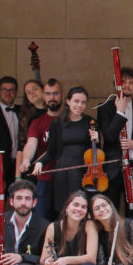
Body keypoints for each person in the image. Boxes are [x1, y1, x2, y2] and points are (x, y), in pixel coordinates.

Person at [31, 86, 100, 215]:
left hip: (83, 173)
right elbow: (51, 151)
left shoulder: (91, 122)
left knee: (83, 209)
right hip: (62, 172)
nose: (79, 105)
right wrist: (40, 162)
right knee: (64, 210)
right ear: (68, 101)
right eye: (76, 101)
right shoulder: (57, 123)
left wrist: (96, 141)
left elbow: (98, 153)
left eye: (83, 102)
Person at [97, 65, 133, 213]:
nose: (127, 85)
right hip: (113, 170)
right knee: (109, 214)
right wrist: (120, 111)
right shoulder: (105, 108)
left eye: (131, 82)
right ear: (117, 84)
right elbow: (108, 137)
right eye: (124, 81)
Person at [21, 78, 63, 221]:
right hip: (45, 178)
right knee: (41, 220)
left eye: (55, 93)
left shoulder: (70, 119)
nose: (52, 98)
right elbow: (31, 143)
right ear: (44, 97)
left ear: (62, 95)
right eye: (48, 94)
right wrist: (26, 159)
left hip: (66, 178)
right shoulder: (37, 122)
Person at [15, 79, 45, 170]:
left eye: (35, 89)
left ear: (44, 90)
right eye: (28, 92)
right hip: (31, 162)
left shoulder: (55, 112)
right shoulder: (26, 118)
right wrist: (18, 176)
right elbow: (21, 147)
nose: (32, 93)